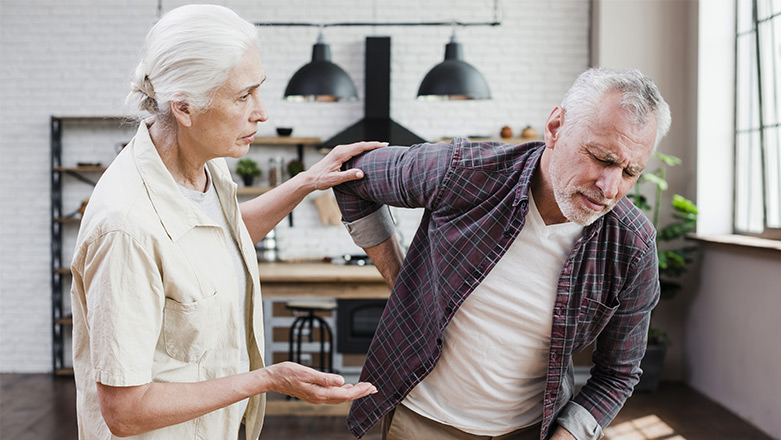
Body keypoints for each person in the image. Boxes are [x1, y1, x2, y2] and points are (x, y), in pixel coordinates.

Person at [70, 5, 381, 440]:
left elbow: (221, 239)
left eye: (259, 90)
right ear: (184, 107)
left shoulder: (205, 168)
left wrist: (307, 182)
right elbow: (125, 411)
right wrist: (267, 379)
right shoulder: (125, 228)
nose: (262, 112)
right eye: (243, 96)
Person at [333, 67, 671, 440]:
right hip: (419, 420)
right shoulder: (465, 171)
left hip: (528, 430)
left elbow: (617, 374)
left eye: (630, 172)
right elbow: (350, 176)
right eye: (601, 158)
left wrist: (568, 436)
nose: (609, 188)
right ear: (556, 127)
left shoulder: (632, 246)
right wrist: (401, 280)